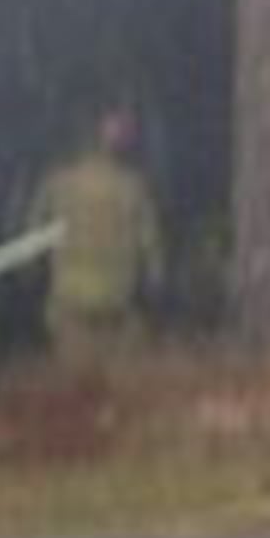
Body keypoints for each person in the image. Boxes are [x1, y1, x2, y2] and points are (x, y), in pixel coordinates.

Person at [29, 103, 165, 357]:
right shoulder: (134, 188)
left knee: (74, 387)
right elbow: (153, 256)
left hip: (69, 304)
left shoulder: (57, 183)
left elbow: (31, 247)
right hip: (118, 306)